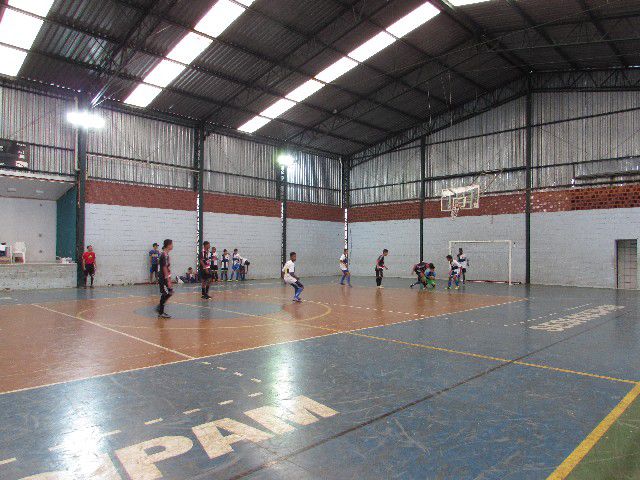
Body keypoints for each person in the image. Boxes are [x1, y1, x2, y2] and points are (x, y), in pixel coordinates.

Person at [156, 239, 174, 318]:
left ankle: (160, 307)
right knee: (165, 293)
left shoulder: (166, 255)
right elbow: (164, 268)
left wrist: (169, 278)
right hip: (163, 278)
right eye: (171, 244)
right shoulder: (163, 255)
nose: (172, 246)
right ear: (168, 245)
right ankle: (161, 312)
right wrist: (168, 280)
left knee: (170, 292)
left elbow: (167, 267)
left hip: (166, 277)